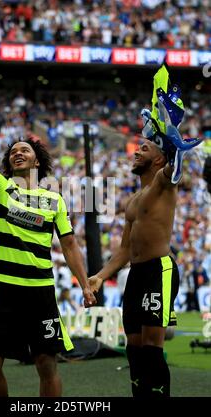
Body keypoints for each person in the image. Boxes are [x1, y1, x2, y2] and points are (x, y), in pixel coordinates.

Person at [0, 103, 96, 397]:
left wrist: (85, 285)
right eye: (13, 151)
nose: (18, 152)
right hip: (6, 292)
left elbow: (69, 245)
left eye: (24, 150)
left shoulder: (54, 200)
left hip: (41, 292)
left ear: (36, 162)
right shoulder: (1, 187)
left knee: (46, 363)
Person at [89, 65, 201, 398]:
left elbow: (177, 160)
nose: (136, 150)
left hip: (159, 271)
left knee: (151, 347)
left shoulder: (164, 183)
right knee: (134, 348)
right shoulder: (133, 201)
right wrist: (100, 276)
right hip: (136, 275)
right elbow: (124, 251)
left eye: (144, 149)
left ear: (157, 160)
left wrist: (172, 134)